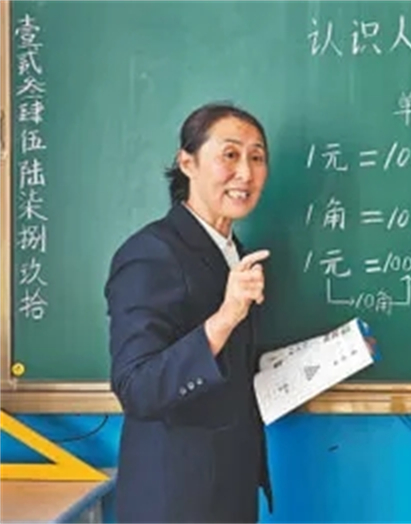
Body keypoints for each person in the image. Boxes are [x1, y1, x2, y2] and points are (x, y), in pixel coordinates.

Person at [104, 102, 276, 523]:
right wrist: (226, 316)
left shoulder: (233, 253)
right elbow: (137, 387)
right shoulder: (150, 254)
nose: (245, 173)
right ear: (187, 163)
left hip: (228, 488)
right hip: (175, 500)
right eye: (230, 154)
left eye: (257, 158)